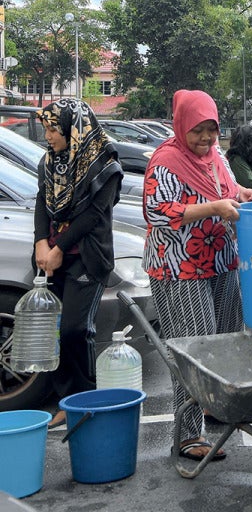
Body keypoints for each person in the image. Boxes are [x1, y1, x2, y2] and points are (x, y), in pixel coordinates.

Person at [143, 89, 252, 462]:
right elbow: (157, 211)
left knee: (222, 339)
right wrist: (213, 207)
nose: (206, 138)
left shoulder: (215, 157)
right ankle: (187, 433)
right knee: (192, 347)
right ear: (181, 126)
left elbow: (226, 189)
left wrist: (245, 193)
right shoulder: (166, 160)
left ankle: (211, 405)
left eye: (211, 129)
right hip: (180, 268)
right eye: (198, 131)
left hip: (220, 260)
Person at [33, 98, 124, 429]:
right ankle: (64, 400)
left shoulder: (104, 162)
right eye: (46, 129)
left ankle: (84, 399)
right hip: (53, 257)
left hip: (86, 257)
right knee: (53, 331)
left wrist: (59, 248)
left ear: (74, 128)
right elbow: (42, 202)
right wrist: (42, 242)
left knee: (74, 329)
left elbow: (94, 215)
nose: (49, 137)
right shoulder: (51, 160)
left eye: (53, 129)